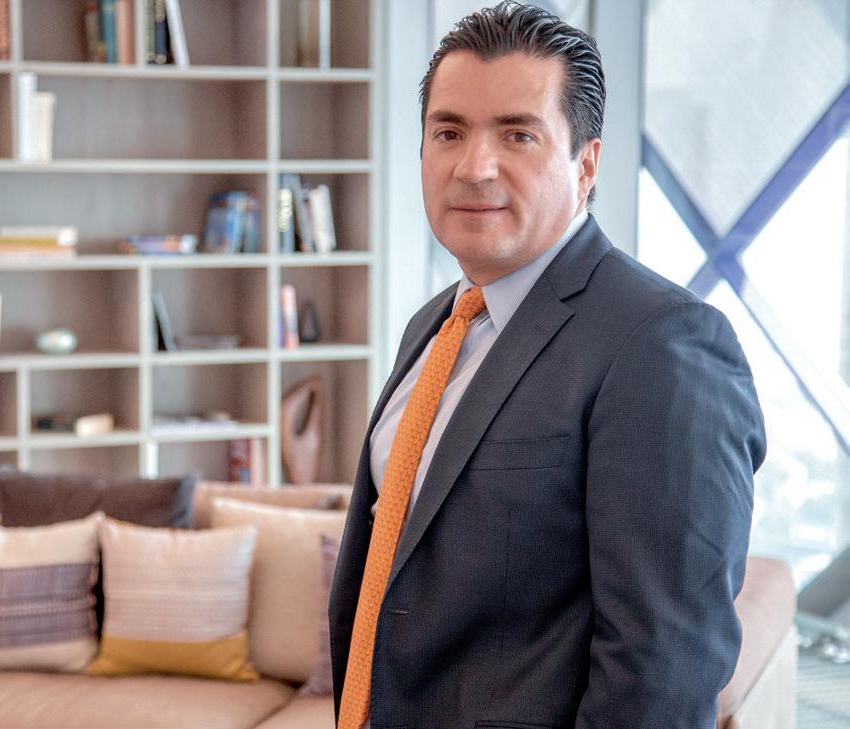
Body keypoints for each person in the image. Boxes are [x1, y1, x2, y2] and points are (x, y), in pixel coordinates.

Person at [327, 3, 766, 728]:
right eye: (449, 132)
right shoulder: (434, 324)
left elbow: (662, 669)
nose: (473, 166)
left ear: (586, 164)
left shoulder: (663, 343)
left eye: (518, 134)